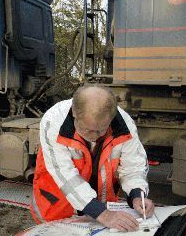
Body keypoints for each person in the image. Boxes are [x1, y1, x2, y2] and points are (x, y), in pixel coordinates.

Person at [30, 86, 154, 232]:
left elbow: (134, 166)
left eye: (101, 130)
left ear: (111, 118)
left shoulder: (125, 125)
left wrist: (137, 194)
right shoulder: (53, 122)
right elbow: (65, 174)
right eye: (87, 129)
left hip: (103, 214)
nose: (94, 136)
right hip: (58, 207)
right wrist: (102, 213)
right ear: (74, 113)